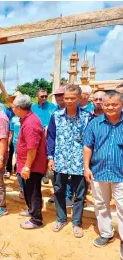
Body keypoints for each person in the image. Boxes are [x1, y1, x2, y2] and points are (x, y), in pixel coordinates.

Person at [47, 84, 93, 238]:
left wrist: (88, 164)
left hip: (79, 162)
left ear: (79, 98)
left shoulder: (87, 117)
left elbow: (90, 141)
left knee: (79, 194)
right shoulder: (56, 116)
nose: (68, 101)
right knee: (59, 190)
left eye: (72, 98)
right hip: (60, 160)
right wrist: (50, 157)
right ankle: (61, 218)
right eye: (66, 98)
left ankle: (77, 223)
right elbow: (51, 137)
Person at [83, 91, 123, 260]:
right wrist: (86, 167)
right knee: (100, 205)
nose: (110, 107)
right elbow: (87, 146)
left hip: (120, 173)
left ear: (121, 104)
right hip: (98, 172)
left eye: (114, 104)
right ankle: (106, 233)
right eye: (107, 104)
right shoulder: (95, 123)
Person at [12, 95, 47, 229]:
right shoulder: (26, 119)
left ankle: (36, 219)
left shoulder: (30, 123)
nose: (12, 109)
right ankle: (32, 210)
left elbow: (32, 149)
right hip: (26, 163)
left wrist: (27, 167)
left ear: (20, 109)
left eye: (14, 107)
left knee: (33, 191)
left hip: (32, 165)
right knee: (28, 189)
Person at [48, 85, 73, 206]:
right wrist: (50, 154)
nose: (59, 98)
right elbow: (51, 134)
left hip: (73, 150)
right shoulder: (55, 113)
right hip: (58, 149)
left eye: (61, 95)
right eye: (57, 95)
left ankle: (68, 196)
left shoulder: (78, 112)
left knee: (69, 175)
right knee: (56, 174)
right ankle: (58, 194)